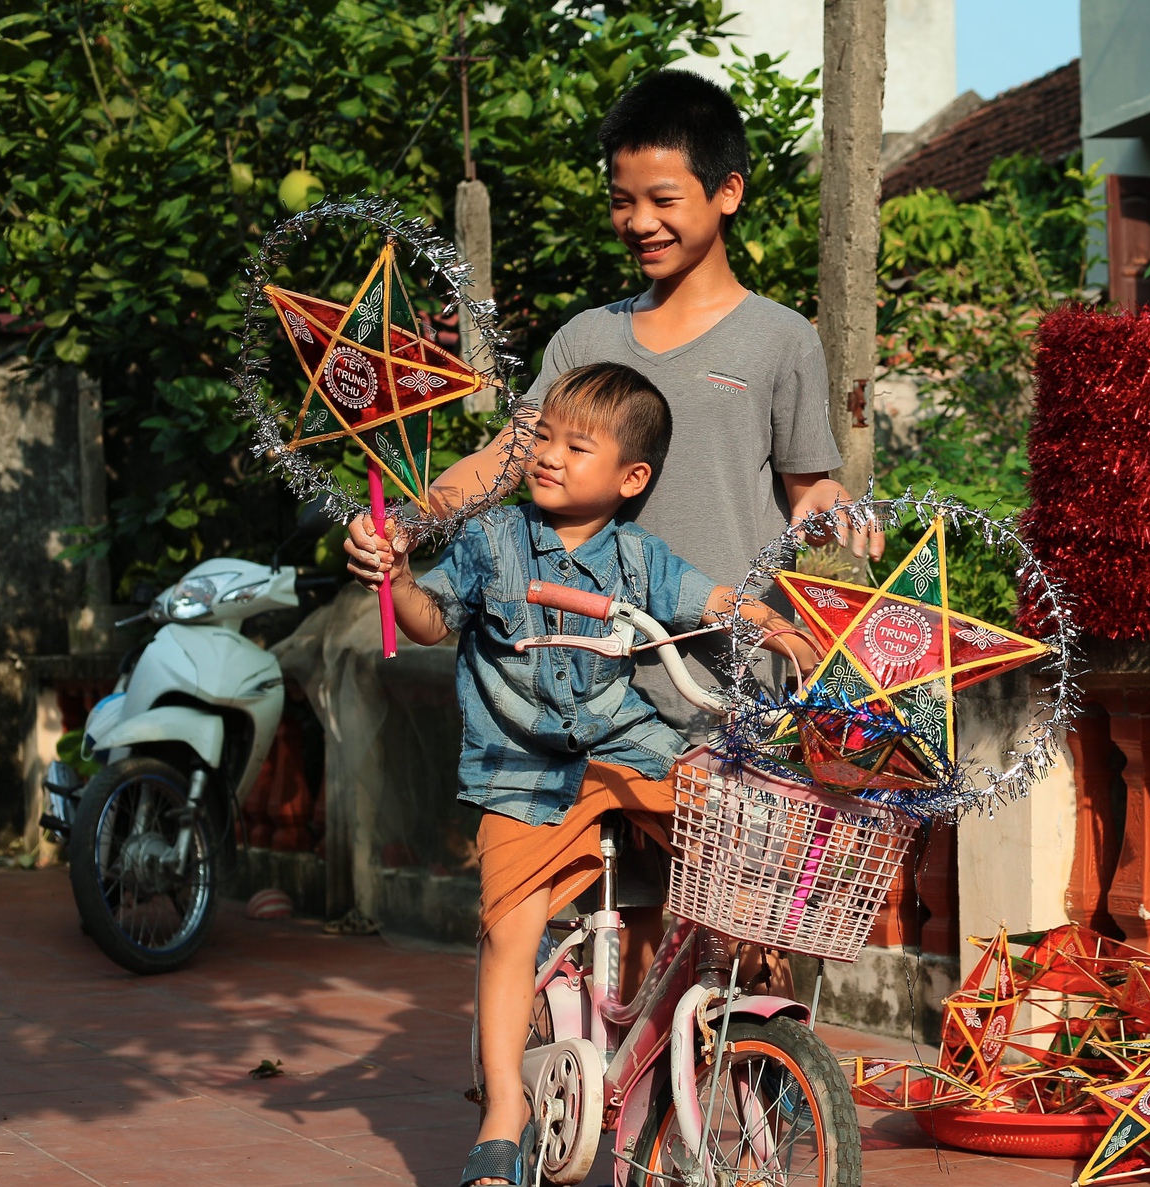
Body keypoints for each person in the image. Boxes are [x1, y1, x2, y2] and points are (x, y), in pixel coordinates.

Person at [349, 363, 819, 1187]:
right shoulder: (490, 540)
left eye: (577, 444)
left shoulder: (637, 557)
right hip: (516, 762)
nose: (549, 456)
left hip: (622, 744)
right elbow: (428, 621)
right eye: (543, 438)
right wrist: (396, 578)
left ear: (631, 477)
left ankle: (747, 1031)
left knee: (732, 840)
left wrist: (771, 624)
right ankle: (502, 1110)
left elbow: (704, 597)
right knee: (509, 928)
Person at [348, 67, 879, 731]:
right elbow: (506, 457)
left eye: (662, 199)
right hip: (583, 682)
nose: (639, 222)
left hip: (729, 684)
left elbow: (808, 491)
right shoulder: (586, 338)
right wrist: (408, 523)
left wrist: (829, 506)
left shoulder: (780, 338)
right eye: (621, 201)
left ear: (728, 192)